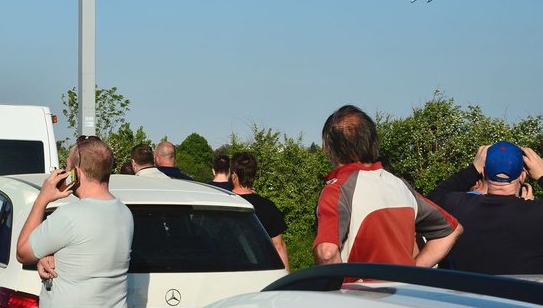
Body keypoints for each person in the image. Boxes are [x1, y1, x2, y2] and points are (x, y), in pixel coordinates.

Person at [314, 104, 462, 266]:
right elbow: (452, 230)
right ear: (372, 142)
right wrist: (411, 273)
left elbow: (327, 253)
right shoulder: (400, 186)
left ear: (328, 148)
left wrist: (336, 289)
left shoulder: (337, 190)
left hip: (358, 290)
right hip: (401, 290)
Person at [16, 136, 134, 308]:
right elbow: (87, 250)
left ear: (76, 173)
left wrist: (42, 199)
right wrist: (50, 253)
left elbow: (22, 252)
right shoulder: (125, 213)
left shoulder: (69, 215)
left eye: (67, 168)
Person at [428, 141, 543, 274]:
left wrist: (472, 170)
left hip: (468, 293)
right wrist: (541, 175)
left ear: (483, 172)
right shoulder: (537, 214)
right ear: (522, 176)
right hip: (521, 294)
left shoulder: (457, 206)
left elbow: (434, 197)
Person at [229, 152, 289, 270]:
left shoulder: (223, 204)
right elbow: (279, 246)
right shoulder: (268, 206)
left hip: (226, 270)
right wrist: (285, 279)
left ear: (234, 175)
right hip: (261, 270)